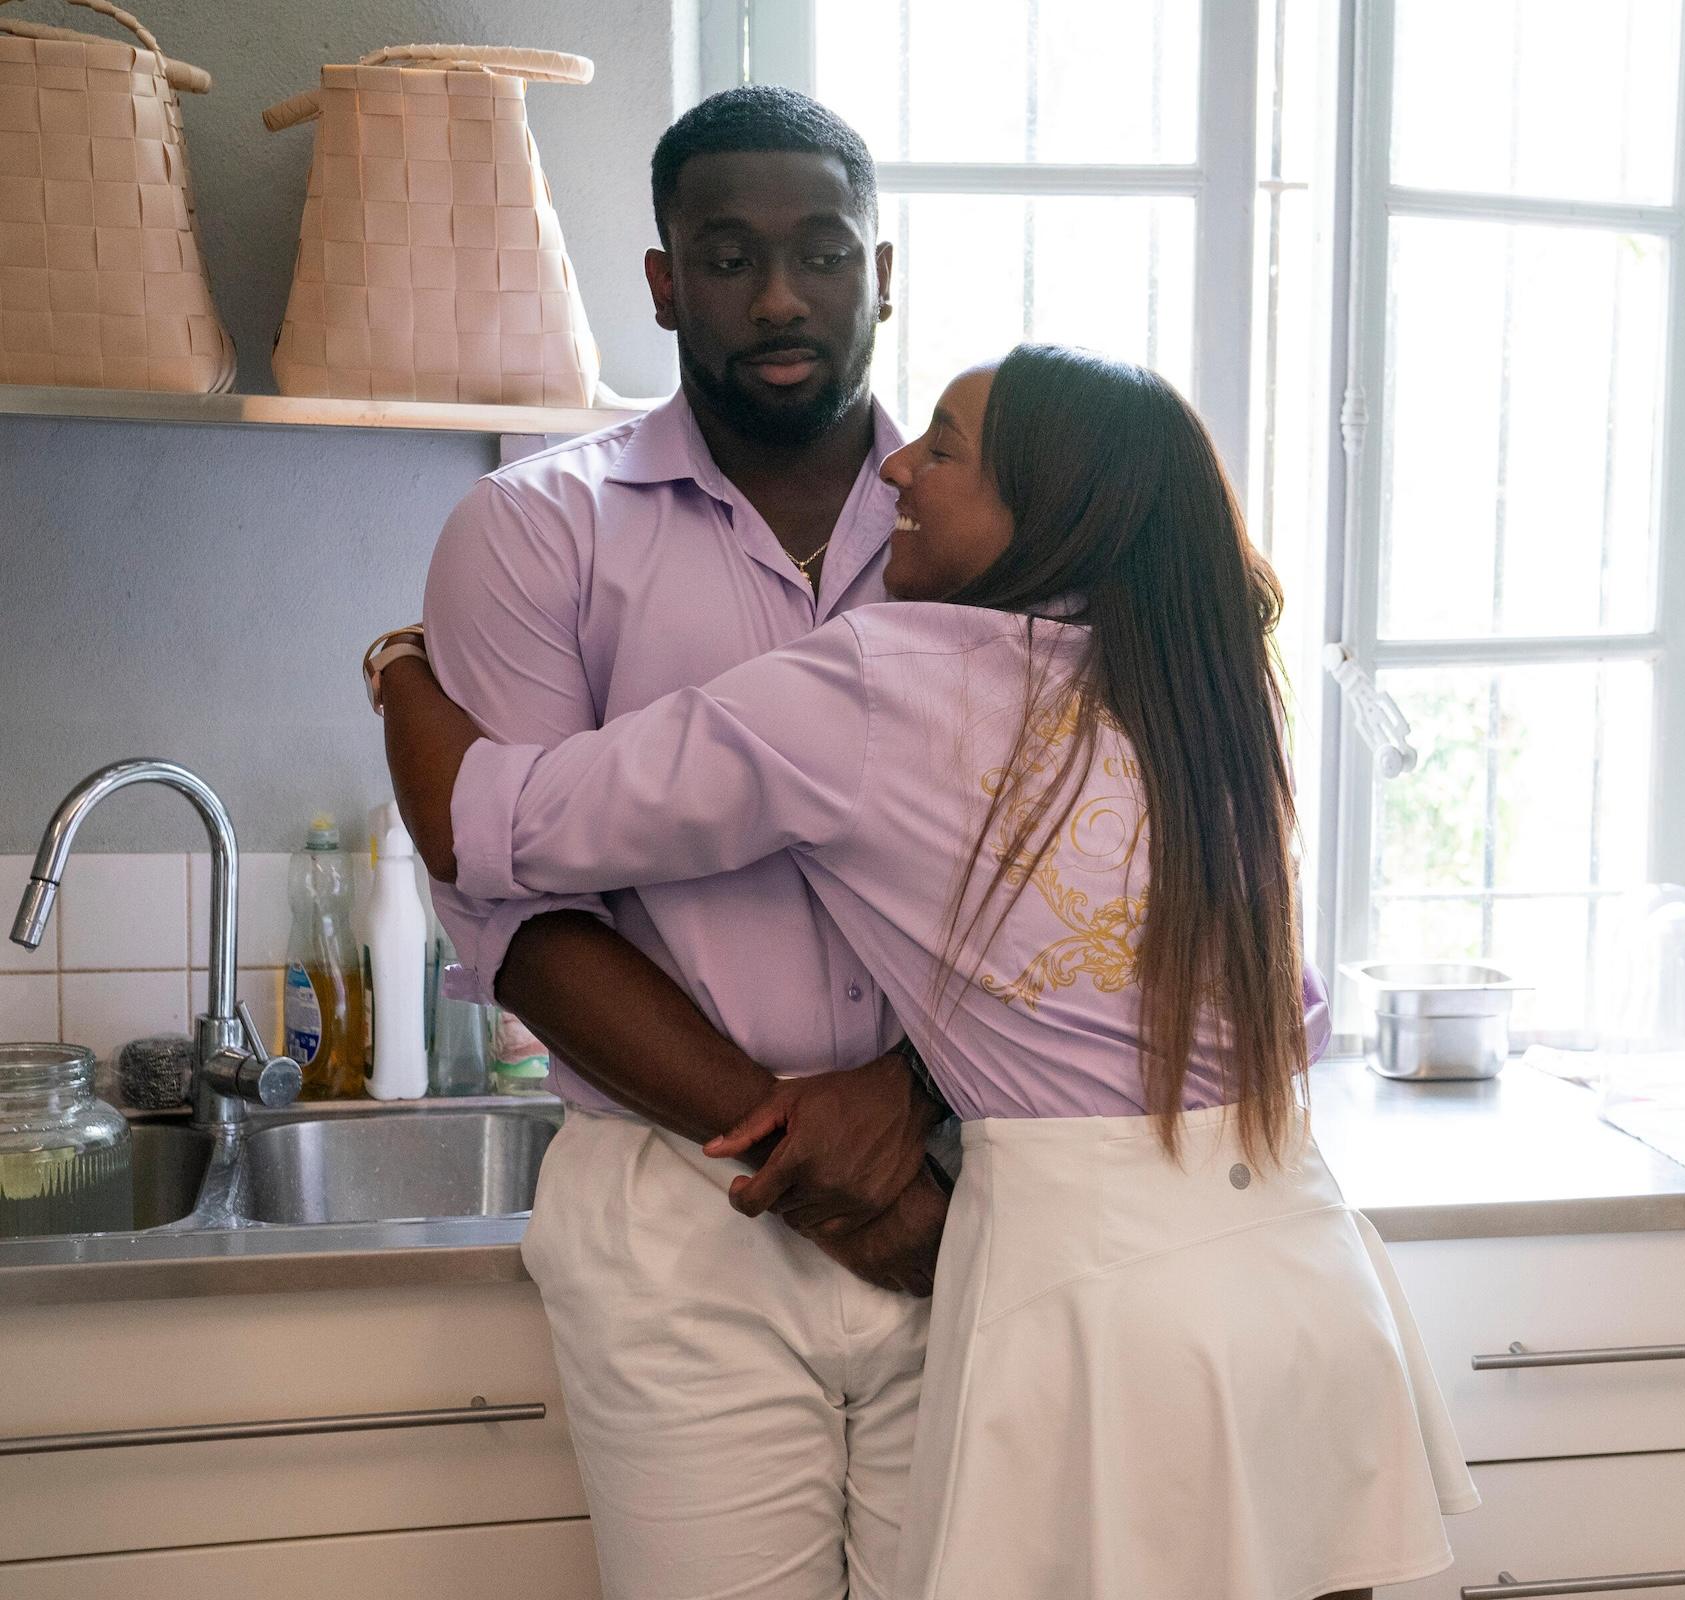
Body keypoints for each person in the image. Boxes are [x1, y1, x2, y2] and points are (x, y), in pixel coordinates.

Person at [376, 344, 1479, 1600]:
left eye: (943, 449)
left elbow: (485, 824)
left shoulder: (876, 678)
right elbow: (1289, 1019)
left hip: (1101, 1309)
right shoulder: (1203, 690)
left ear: (1042, 514)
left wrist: (398, 664)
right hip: (1305, 1283)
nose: (896, 462)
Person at [398, 86, 962, 1600]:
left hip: (969, 1190)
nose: (780, 296)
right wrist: (828, 1164)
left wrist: (905, 1111)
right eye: (726, 256)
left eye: (823, 253)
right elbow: (519, 916)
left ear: (883, 271)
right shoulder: (535, 532)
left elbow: (1067, 868)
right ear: (660, 280)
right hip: (685, 1210)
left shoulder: (986, 535)